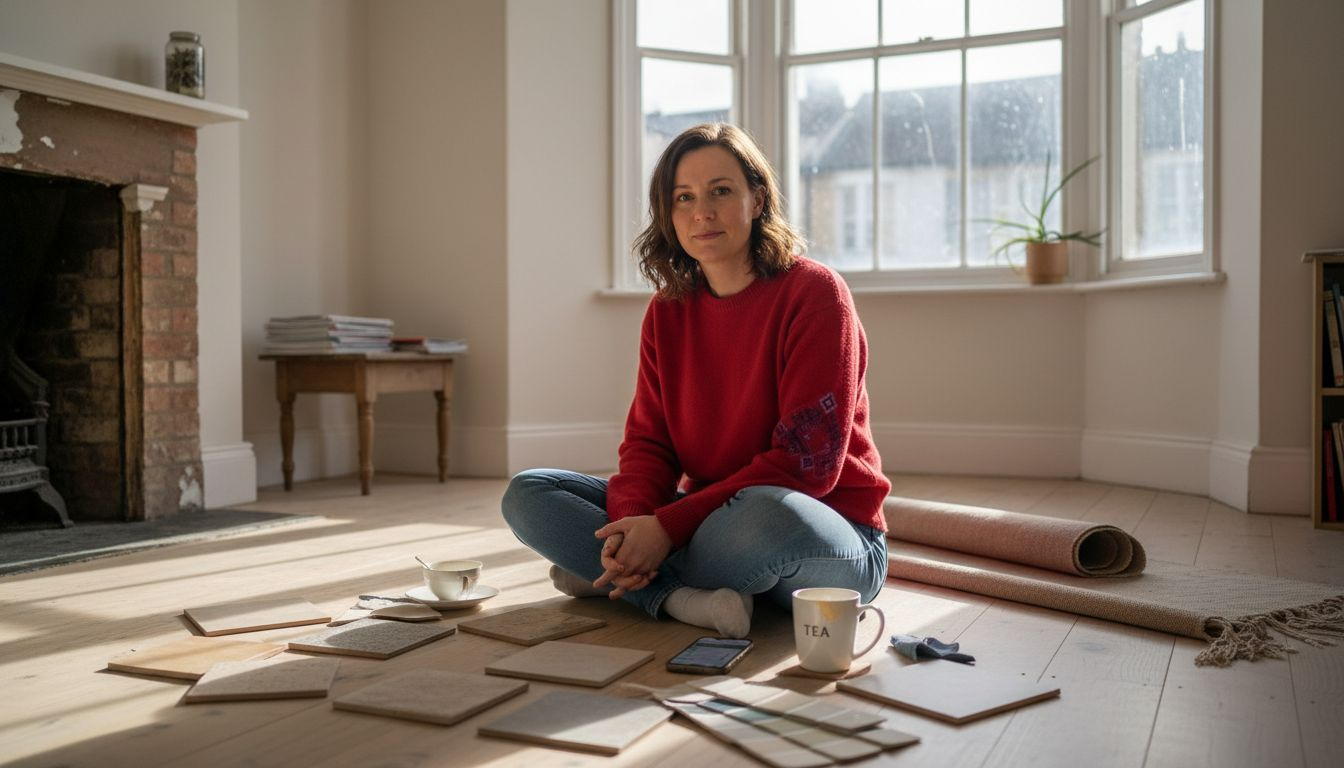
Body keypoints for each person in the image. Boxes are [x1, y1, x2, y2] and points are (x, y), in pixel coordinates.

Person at [501, 122, 890, 638]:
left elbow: (807, 467)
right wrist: (638, 520)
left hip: (820, 533)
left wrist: (665, 530)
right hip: (707, 520)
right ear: (668, 215)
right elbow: (647, 446)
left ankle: (618, 577)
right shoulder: (668, 311)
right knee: (530, 493)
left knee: (764, 515)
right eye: (683, 197)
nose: (701, 212)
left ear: (757, 199)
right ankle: (677, 596)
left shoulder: (815, 294)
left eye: (720, 191)